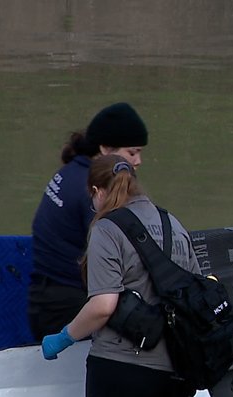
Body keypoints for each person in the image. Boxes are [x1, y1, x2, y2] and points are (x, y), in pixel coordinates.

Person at [40, 154, 202, 397]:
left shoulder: (108, 229)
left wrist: (63, 337)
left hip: (122, 367)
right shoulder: (174, 224)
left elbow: (103, 305)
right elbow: (196, 292)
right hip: (176, 372)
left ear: (97, 191)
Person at [27, 102, 149, 340]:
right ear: (105, 148)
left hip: (43, 301)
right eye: (132, 153)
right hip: (67, 310)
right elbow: (122, 258)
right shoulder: (95, 191)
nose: (138, 161)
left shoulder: (71, 171)